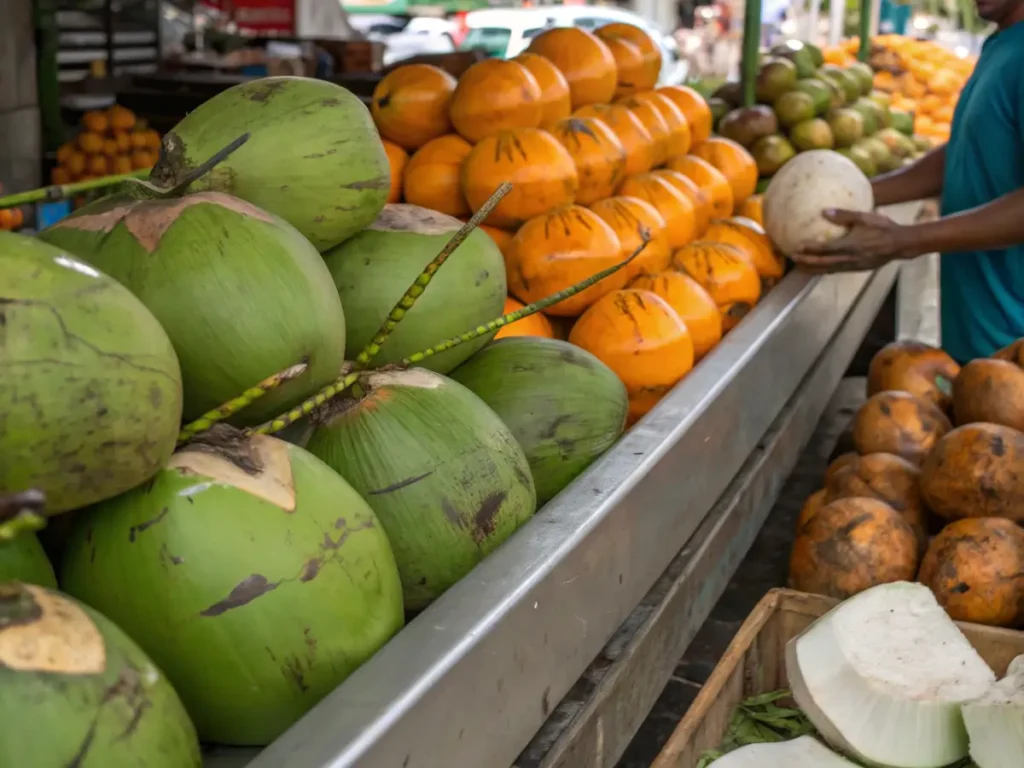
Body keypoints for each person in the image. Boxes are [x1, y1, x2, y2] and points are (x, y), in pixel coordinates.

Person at [791, 2, 1024, 363]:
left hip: (1013, 348)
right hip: (980, 342)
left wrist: (905, 241)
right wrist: (860, 193)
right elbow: (969, 146)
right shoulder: (1003, 44)